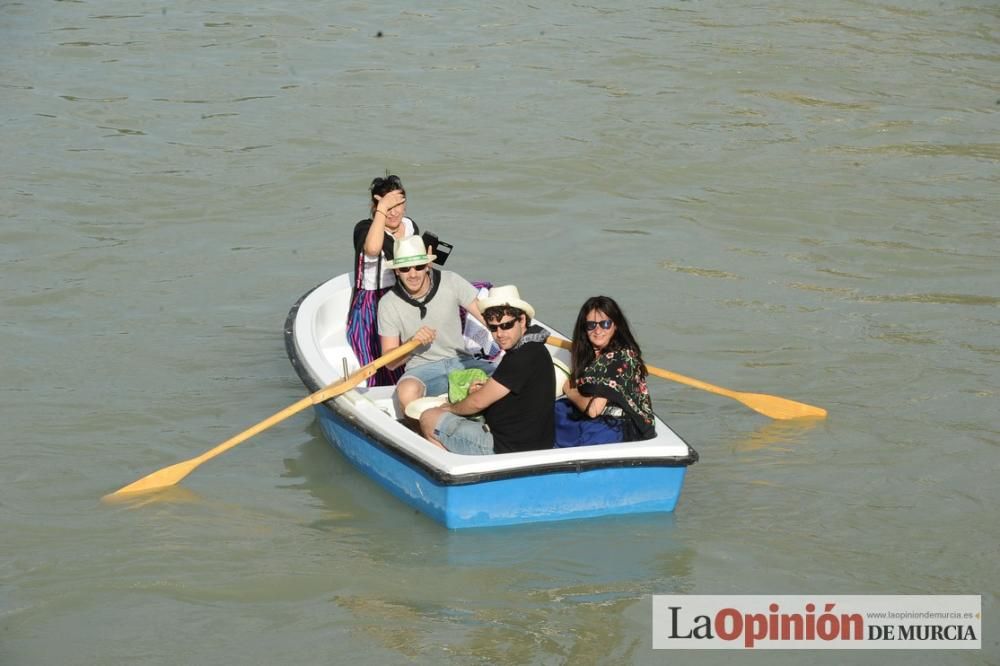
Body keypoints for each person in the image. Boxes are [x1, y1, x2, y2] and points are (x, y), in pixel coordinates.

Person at [420, 285, 555, 455]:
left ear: (521, 320)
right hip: (533, 443)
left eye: (506, 325)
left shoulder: (520, 357)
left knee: (428, 418)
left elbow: (477, 403)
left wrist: (448, 408)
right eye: (493, 327)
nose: (500, 334)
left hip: (505, 447)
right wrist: (483, 390)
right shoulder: (534, 349)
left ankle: (460, 470)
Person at [377, 235, 496, 414]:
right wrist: (412, 343)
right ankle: (423, 437)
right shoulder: (387, 304)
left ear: (428, 266)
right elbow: (390, 362)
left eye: (419, 267)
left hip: (462, 361)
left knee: (508, 379)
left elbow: (488, 318)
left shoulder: (451, 281)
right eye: (405, 268)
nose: (413, 274)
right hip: (421, 370)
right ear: (396, 271)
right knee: (407, 392)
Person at [556, 296, 656, 446]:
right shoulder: (591, 354)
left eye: (605, 324)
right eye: (591, 325)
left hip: (619, 425)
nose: (598, 330)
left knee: (584, 436)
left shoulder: (619, 358)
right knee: (554, 411)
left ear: (615, 326)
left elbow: (593, 410)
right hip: (598, 417)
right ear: (584, 328)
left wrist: (569, 391)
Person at [347, 174, 417, 386]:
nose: (394, 212)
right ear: (375, 206)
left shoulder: (410, 225)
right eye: (388, 206)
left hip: (403, 294)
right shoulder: (364, 229)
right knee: (381, 363)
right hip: (371, 302)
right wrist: (381, 210)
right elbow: (373, 249)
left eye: (399, 204)